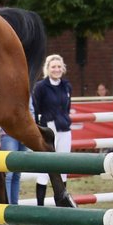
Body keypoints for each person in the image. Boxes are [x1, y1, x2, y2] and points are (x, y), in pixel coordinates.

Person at [33, 54, 73, 206]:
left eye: (58, 67)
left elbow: (67, 108)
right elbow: (36, 110)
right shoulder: (40, 87)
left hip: (64, 129)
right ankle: (40, 207)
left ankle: (62, 205)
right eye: (53, 67)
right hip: (48, 129)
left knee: (63, 166)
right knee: (44, 168)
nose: (56, 69)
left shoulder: (67, 86)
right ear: (47, 69)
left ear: (62, 68)